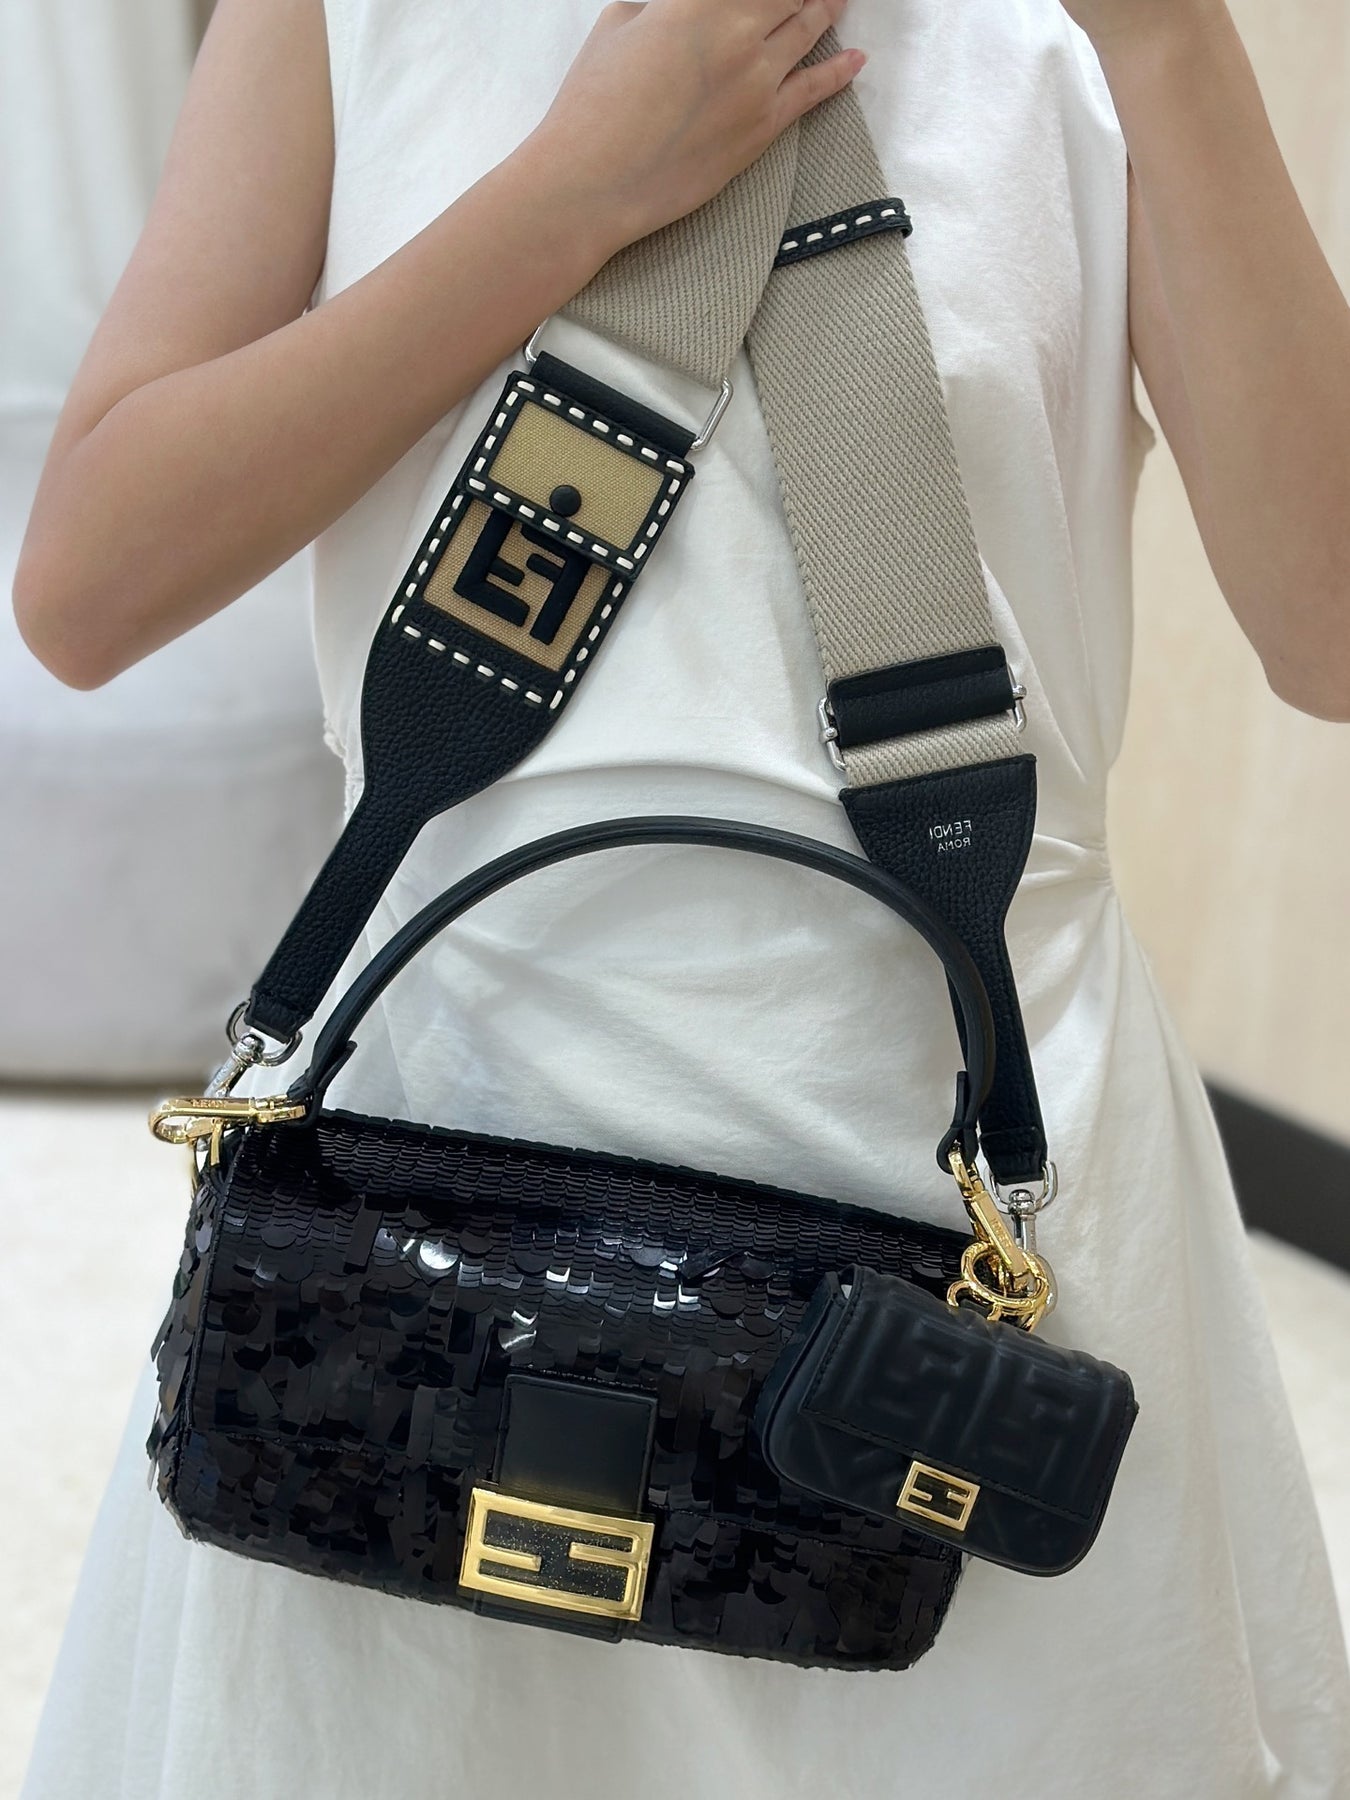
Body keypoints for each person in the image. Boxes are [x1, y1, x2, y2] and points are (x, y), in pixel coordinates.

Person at [14, 1, 1350, 1795]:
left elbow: (1327, 633)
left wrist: (1171, 44)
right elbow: (90, 587)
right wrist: (575, 192)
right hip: (437, 1189)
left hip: (966, 1203)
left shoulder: (1093, 39)